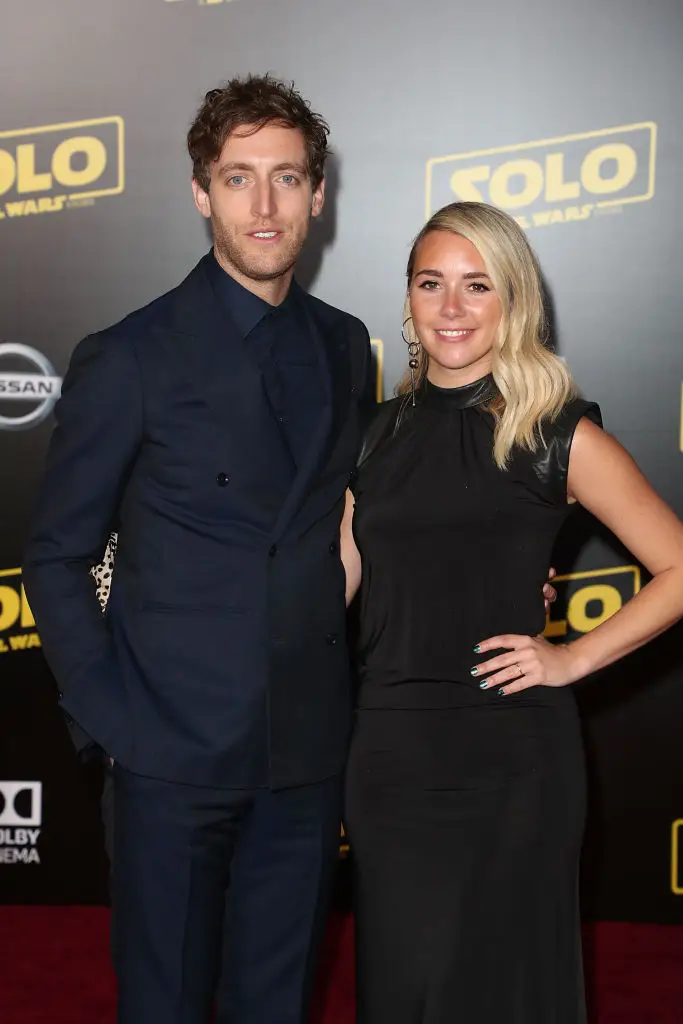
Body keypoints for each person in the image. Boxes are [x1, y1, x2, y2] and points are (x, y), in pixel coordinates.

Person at [23, 74, 375, 1024]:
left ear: (317, 193)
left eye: (286, 178)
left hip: (303, 755)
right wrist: (115, 725)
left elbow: (355, 523)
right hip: (169, 758)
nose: (263, 206)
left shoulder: (347, 347)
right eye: (237, 178)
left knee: (276, 1005)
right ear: (199, 192)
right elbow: (56, 554)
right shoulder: (130, 355)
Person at [340, 201, 683, 1024]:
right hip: (386, 753)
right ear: (409, 302)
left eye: (476, 286)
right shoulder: (373, 434)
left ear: (512, 301)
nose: (451, 308)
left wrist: (570, 658)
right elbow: (336, 579)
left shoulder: (552, 433)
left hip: (510, 758)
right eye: (432, 284)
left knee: (501, 990)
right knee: (402, 987)